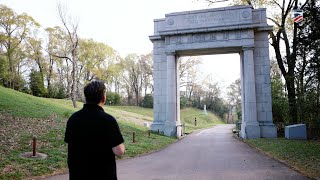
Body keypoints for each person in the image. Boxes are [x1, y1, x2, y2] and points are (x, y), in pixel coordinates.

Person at [64, 81, 125, 180]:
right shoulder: (108, 120)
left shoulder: (73, 119)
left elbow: (70, 144)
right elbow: (119, 151)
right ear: (103, 98)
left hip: (78, 175)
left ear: (86, 97)